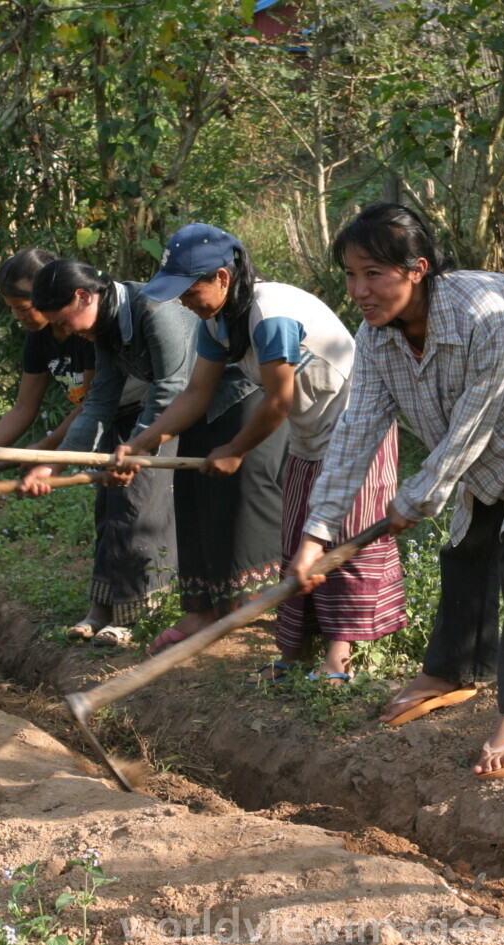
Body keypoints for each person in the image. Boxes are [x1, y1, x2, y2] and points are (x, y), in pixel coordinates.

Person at [290, 203, 504, 779]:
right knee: (468, 547)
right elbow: (356, 431)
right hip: (482, 431)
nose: (359, 290)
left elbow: (473, 420)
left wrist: (418, 496)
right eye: (350, 275)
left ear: (417, 269)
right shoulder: (375, 339)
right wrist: (317, 533)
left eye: (374, 274)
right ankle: (451, 670)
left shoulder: (483, 311)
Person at [115, 223, 406, 682]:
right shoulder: (216, 322)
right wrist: (138, 444)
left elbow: (277, 402)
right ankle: (294, 656)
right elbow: (195, 394)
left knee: (343, 536)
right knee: (297, 539)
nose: (182, 301)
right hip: (311, 434)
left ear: (222, 279)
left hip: (359, 426)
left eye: (189, 290)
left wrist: (233, 449)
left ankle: (339, 659)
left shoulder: (270, 316)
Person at [17, 259, 198, 645]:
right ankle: (102, 606)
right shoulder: (105, 328)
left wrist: (136, 449)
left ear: (84, 297)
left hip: (193, 409)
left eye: (64, 321)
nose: (64, 332)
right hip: (152, 413)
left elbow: (170, 391)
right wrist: (55, 465)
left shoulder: (155, 310)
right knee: (109, 505)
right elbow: (98, 401)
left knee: (139, 502)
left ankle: (136, 611)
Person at [0, 249, 91, 485]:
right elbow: (23, 409)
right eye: (12, 308)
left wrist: (48, 447)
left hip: (139, 421)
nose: (17, 316)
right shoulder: (38, 337)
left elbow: (95, 403)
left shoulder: (86, 330)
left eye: (24, 308)